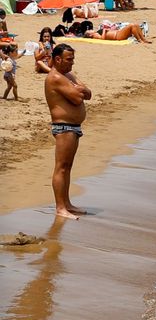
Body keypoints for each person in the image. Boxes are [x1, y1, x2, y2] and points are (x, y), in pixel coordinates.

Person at [45, 44, 90, 219]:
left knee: (68, 167)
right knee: (61, 168)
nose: (72, 62)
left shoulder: (68, 75)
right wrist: (78, 89)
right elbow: (79, 97)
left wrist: (79, 89)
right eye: (69, 59)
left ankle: (67, 203)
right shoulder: (55, 77)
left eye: (73, 58)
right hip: (64, 127)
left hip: (73, 127)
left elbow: (88, 93)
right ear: (58, 59)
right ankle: (60, 207)